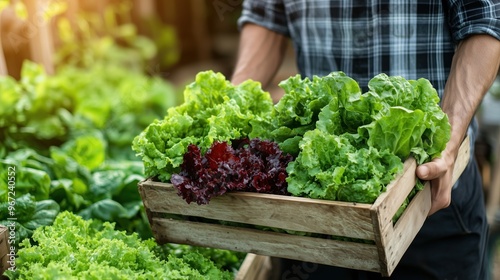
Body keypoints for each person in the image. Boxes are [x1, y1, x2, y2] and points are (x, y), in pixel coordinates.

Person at [231, 1, 500, 279]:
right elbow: (267, 15)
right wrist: (232, 108)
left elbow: (485, 20)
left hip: (428, 196)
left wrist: (447, 139)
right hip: (316, 202)